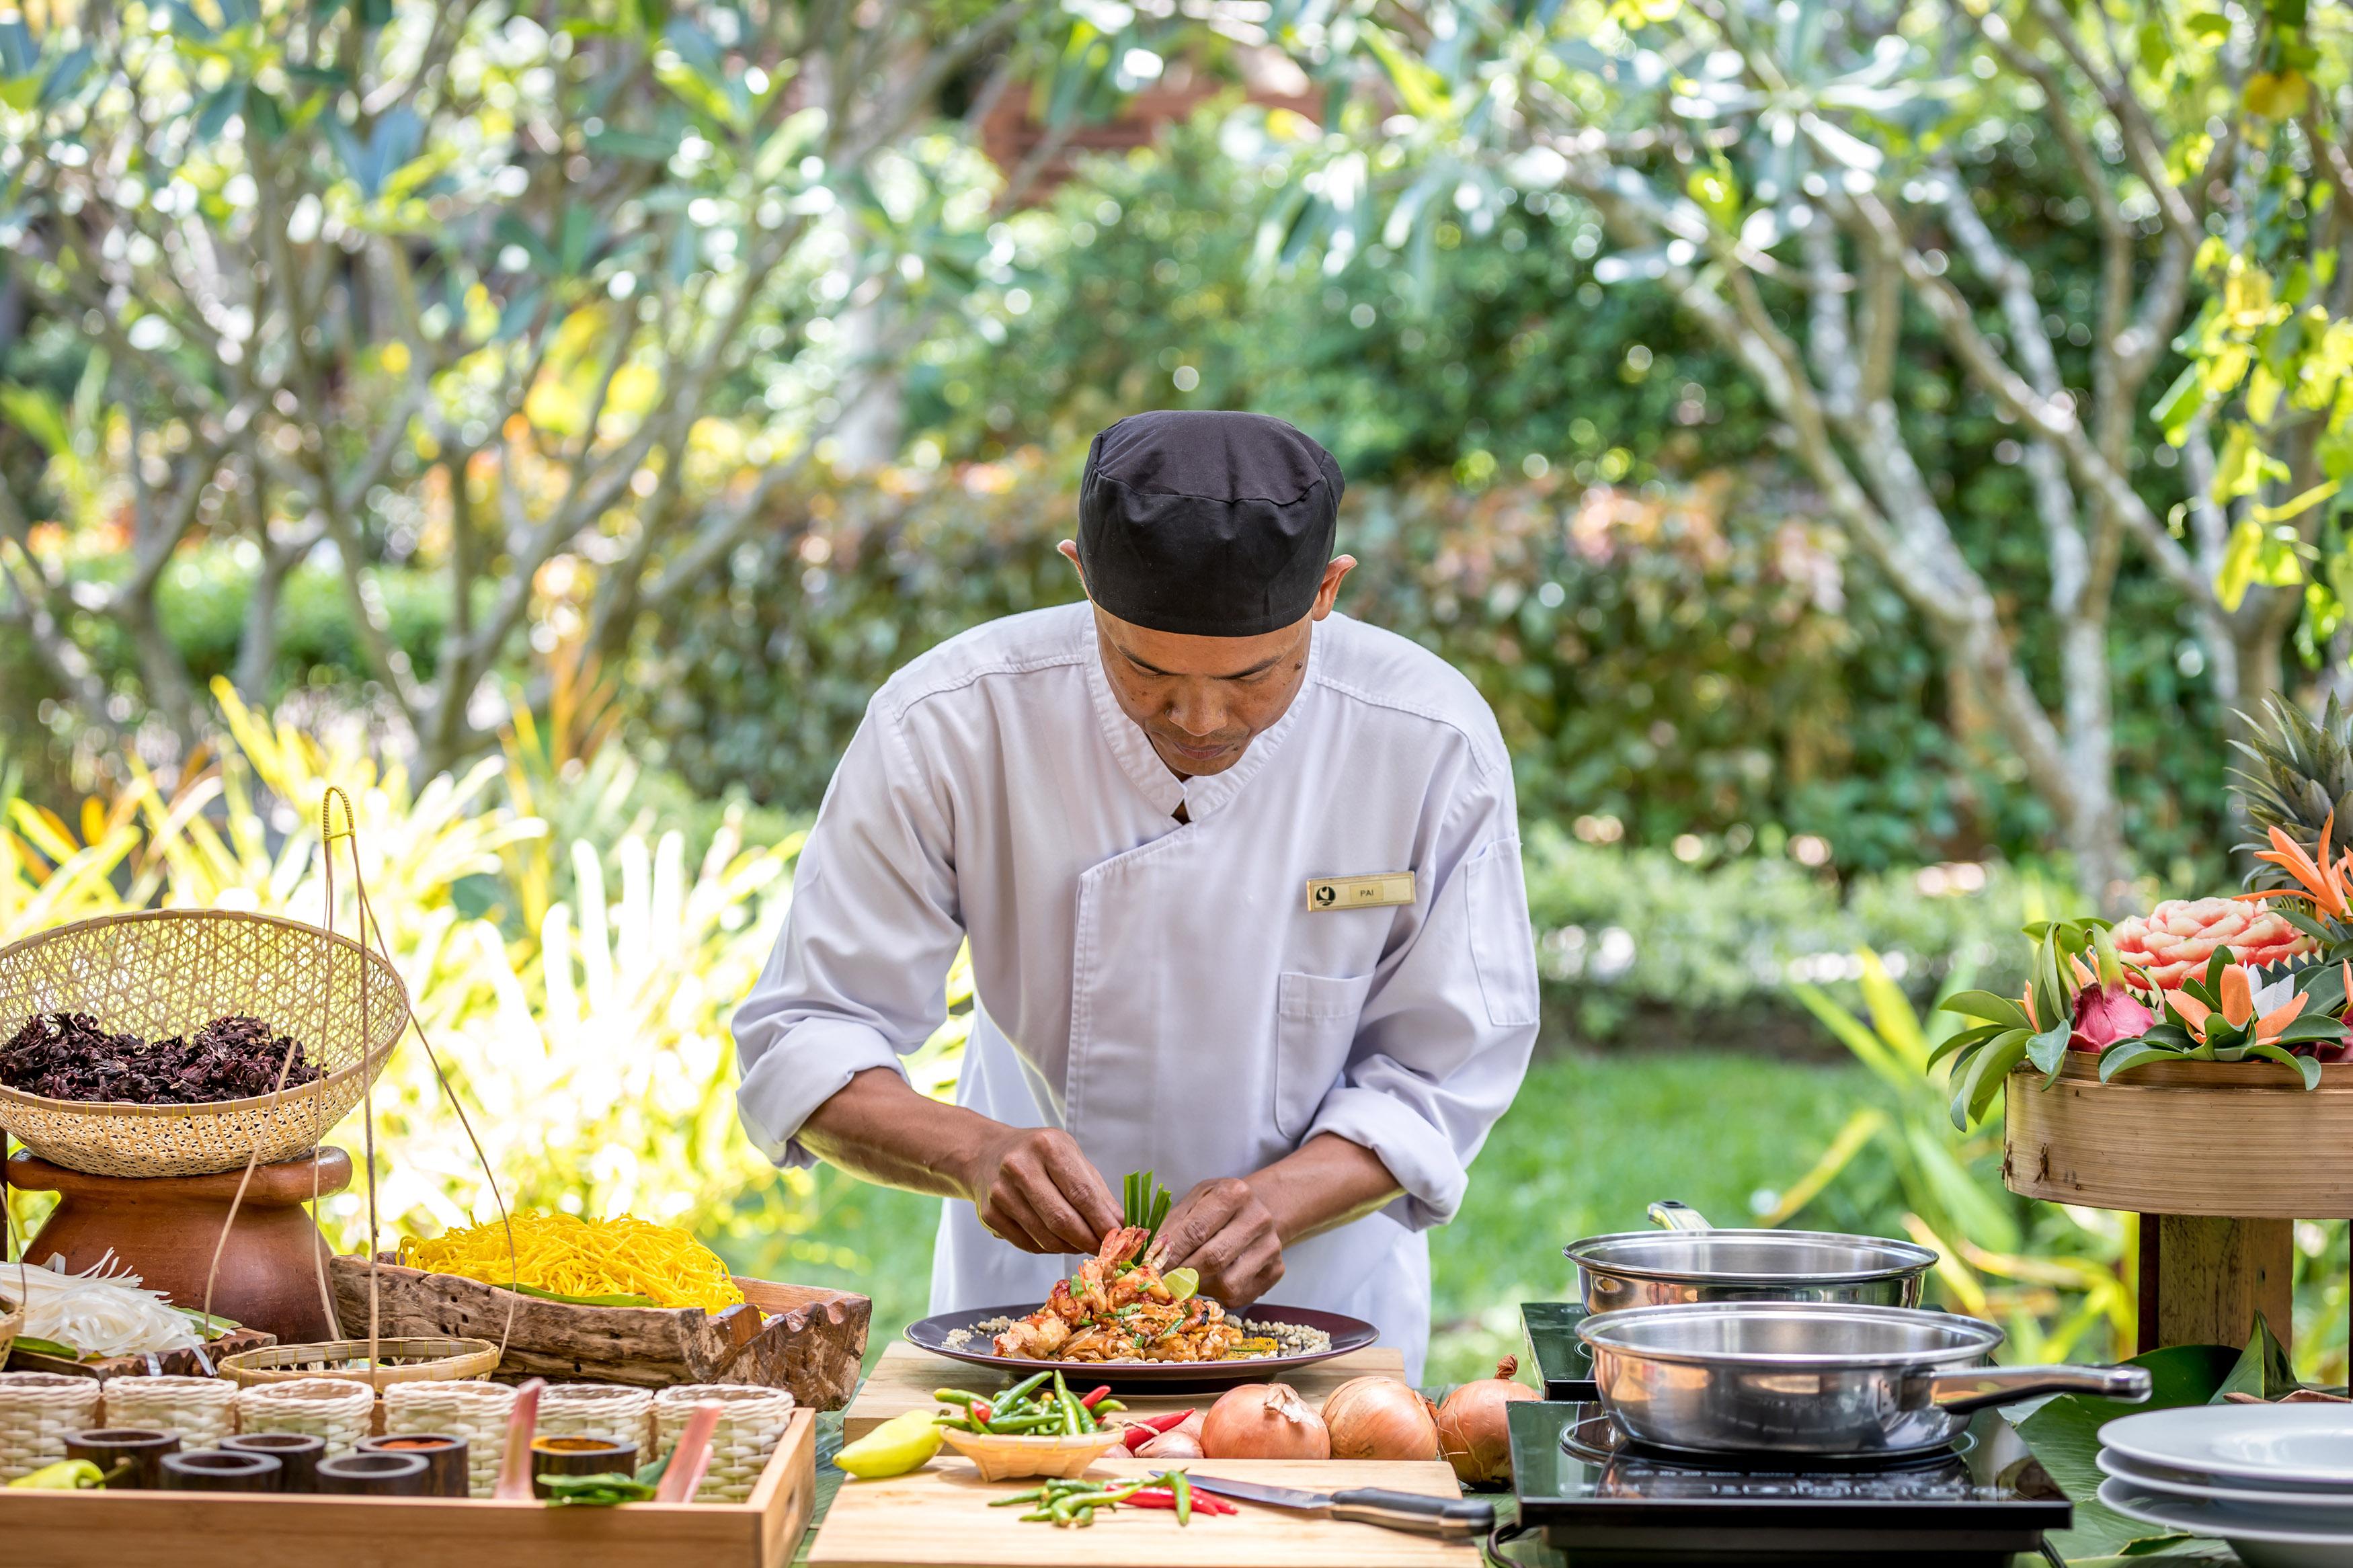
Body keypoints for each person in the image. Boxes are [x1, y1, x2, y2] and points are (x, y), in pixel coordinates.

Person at [732, 410, 1538, 1378]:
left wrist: (1278, 1201)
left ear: (1328, 592)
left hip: (1320, 1318)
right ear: (1080, 575)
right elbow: (805, 1038)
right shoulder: (949, 721)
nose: (1199, 718)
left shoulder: (1426, 736)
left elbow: (1446, 1069)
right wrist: (975, 1152)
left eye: (1254, 675)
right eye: (1144, 667)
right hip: (1031, 1317)